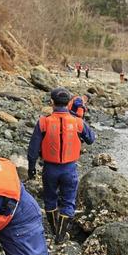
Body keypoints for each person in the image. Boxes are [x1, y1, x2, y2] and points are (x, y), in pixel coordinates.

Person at [27, 87, 95, 244]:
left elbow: (32, 150)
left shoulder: (43, 122)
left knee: (50, 199)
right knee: (68, 201)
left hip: (50, 169)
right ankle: (60, 236)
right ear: (68, 103)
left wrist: (31, 169)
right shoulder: (78, 122)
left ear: (52, 102)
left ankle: (53, 228)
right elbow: (91, 139)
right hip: (69, 168)